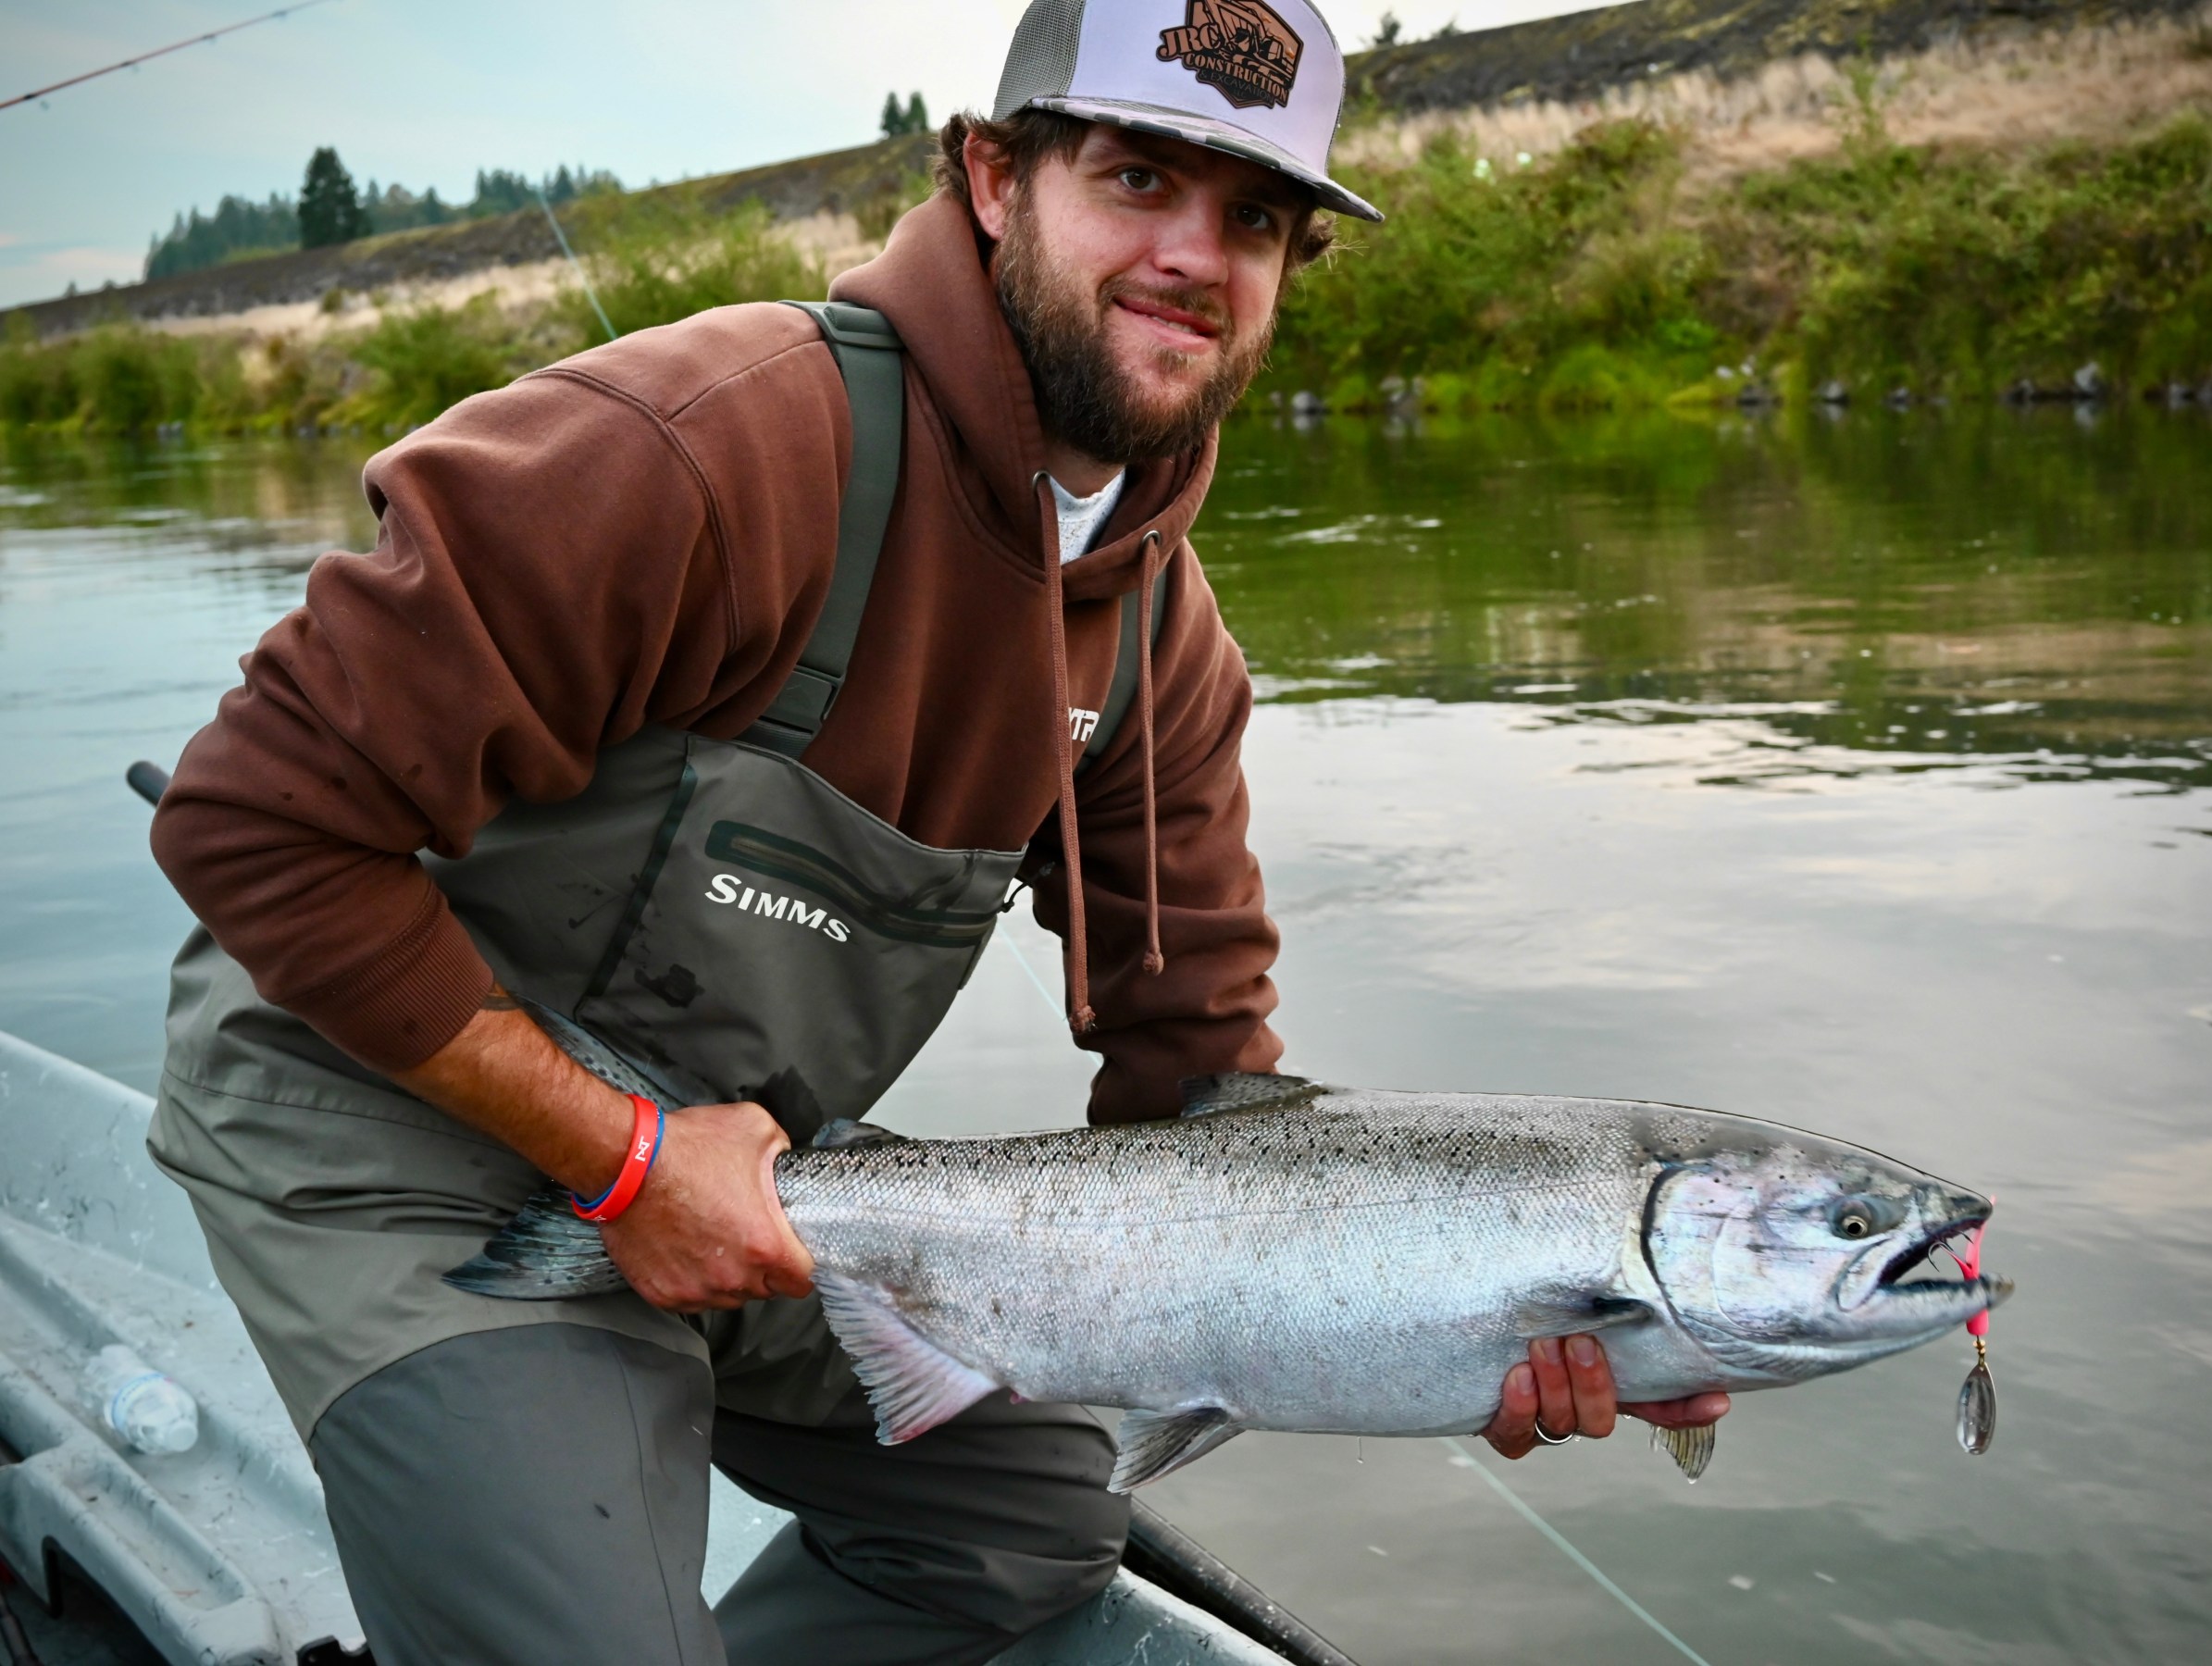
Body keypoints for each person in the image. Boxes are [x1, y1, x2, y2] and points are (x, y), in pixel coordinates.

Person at [146, 3, 1726, 1661]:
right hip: (382, 1126)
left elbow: (1202, 1088)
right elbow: (252, 826)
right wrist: (621, 1159)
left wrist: (1434, 1328)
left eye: (1254, 216)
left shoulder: (1163, 652)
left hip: (750, 1186)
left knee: (1035, 1515)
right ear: (992, 176)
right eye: (1136, 177)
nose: (1195, 253)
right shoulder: (705, 447)